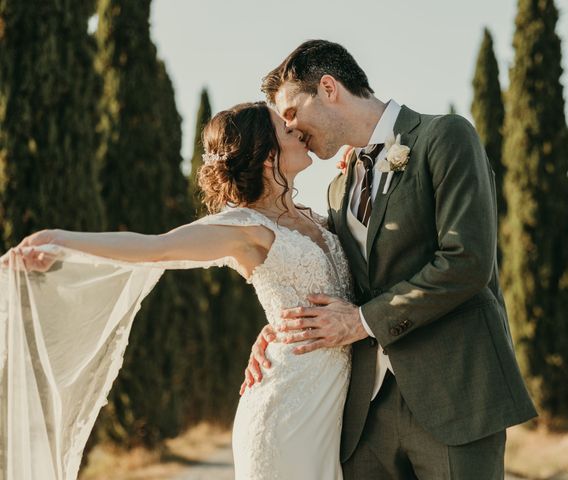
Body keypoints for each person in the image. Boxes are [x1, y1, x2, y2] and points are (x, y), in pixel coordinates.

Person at [3, 101, 352, 479]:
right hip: (287, 412)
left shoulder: (315, 216)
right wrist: (59, 241)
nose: (297, 130)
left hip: (327, 407)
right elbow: (158, 248)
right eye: (286, 130)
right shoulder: (246, 230)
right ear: (268, 157)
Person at [242, 40, 538, 479]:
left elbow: (467, 261)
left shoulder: (445, 137)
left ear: (327, 87)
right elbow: (336, 277)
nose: (290, 129)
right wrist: (282, 327)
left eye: (290, 112)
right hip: (365, 415)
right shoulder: (339, 189)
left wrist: (360, 322)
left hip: (454, 398)